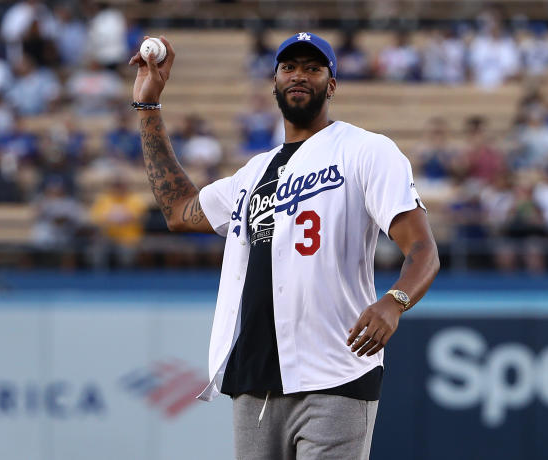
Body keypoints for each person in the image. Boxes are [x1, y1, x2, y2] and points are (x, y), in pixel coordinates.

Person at [130, 32, 439, 460]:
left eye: (313, 68)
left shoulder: (366, 151)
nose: (299, 75)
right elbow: (179, 210)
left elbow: (422, 247)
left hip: (336, 373)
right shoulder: (252, 174)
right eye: (289, 67)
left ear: (331, 85)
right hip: (254, 379)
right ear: (274, 81)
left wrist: (395, 299)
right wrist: (148, 106)